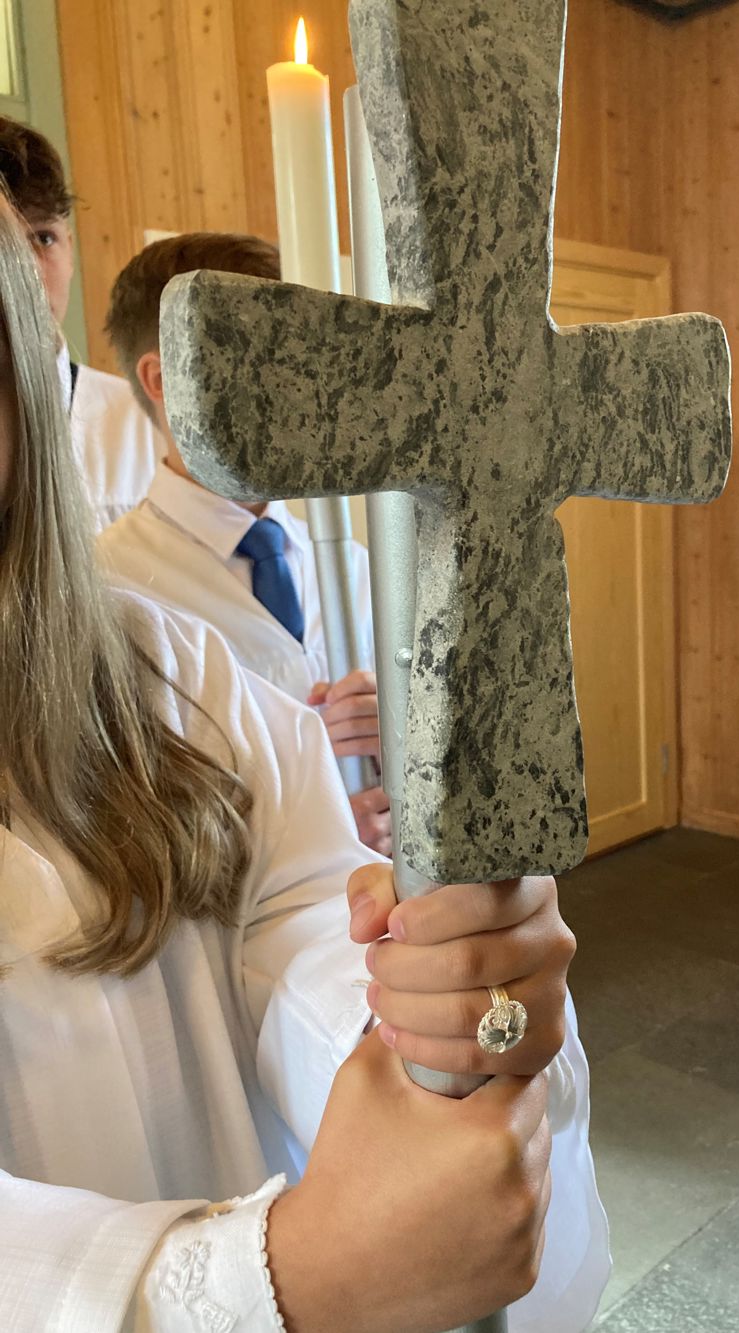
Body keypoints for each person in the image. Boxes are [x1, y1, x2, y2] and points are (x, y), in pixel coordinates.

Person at [0, 194, 608, 1331]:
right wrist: (268, 1278)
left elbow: (294, 910)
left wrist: (426, 1021)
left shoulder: (186, 654)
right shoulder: (136, 570)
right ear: (165, 380)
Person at [98, 233, 390, 855]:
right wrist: (315, 826)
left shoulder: (352, 567)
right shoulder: (103, 590)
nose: (299, 390)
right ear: (164, 377)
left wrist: (398, 739)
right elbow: (118, 833)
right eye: (264, 356)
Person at [0, 114, 158, 530]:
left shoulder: (142, 429)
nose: (29, 272)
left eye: (43, 239)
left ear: (70, 250)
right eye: (4, 247)